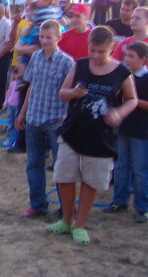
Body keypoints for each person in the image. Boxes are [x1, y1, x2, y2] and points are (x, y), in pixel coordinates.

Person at [47, 26, 137, 245]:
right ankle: (67, 219)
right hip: (73, 132)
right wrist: (74, 93)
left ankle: (80, 224)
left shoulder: (121, 73)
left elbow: (131, 99)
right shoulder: (80, 65)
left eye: (101, 52)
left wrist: (119, 112)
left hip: (101, 137)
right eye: (92, 50)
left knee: (91, 182)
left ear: (111, 48)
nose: (95, 56)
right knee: (64, 177)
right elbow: (62, 92)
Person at [15, 20, 74, 218]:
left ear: (59, 38)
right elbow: (31, 86)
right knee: (34, 164)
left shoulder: (67, 62)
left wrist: (65, 119)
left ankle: (66, 209)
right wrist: (22, 112)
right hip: (34, 118)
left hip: (55, 120)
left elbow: (69, 93)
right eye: (42, 36)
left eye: (49, 37)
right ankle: (38, 205)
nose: (45, 40)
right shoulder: (36, 58)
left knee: (61, 166)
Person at [103, 41, 148, 223]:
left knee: (139, 170)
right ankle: (119, 201)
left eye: (131, 56)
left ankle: (142, 207)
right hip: (123, 129)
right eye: (125, 56)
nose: (126, 60)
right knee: (121, 167)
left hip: (141, 132)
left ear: (143, 60)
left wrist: (134, 101)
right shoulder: (123, 77)